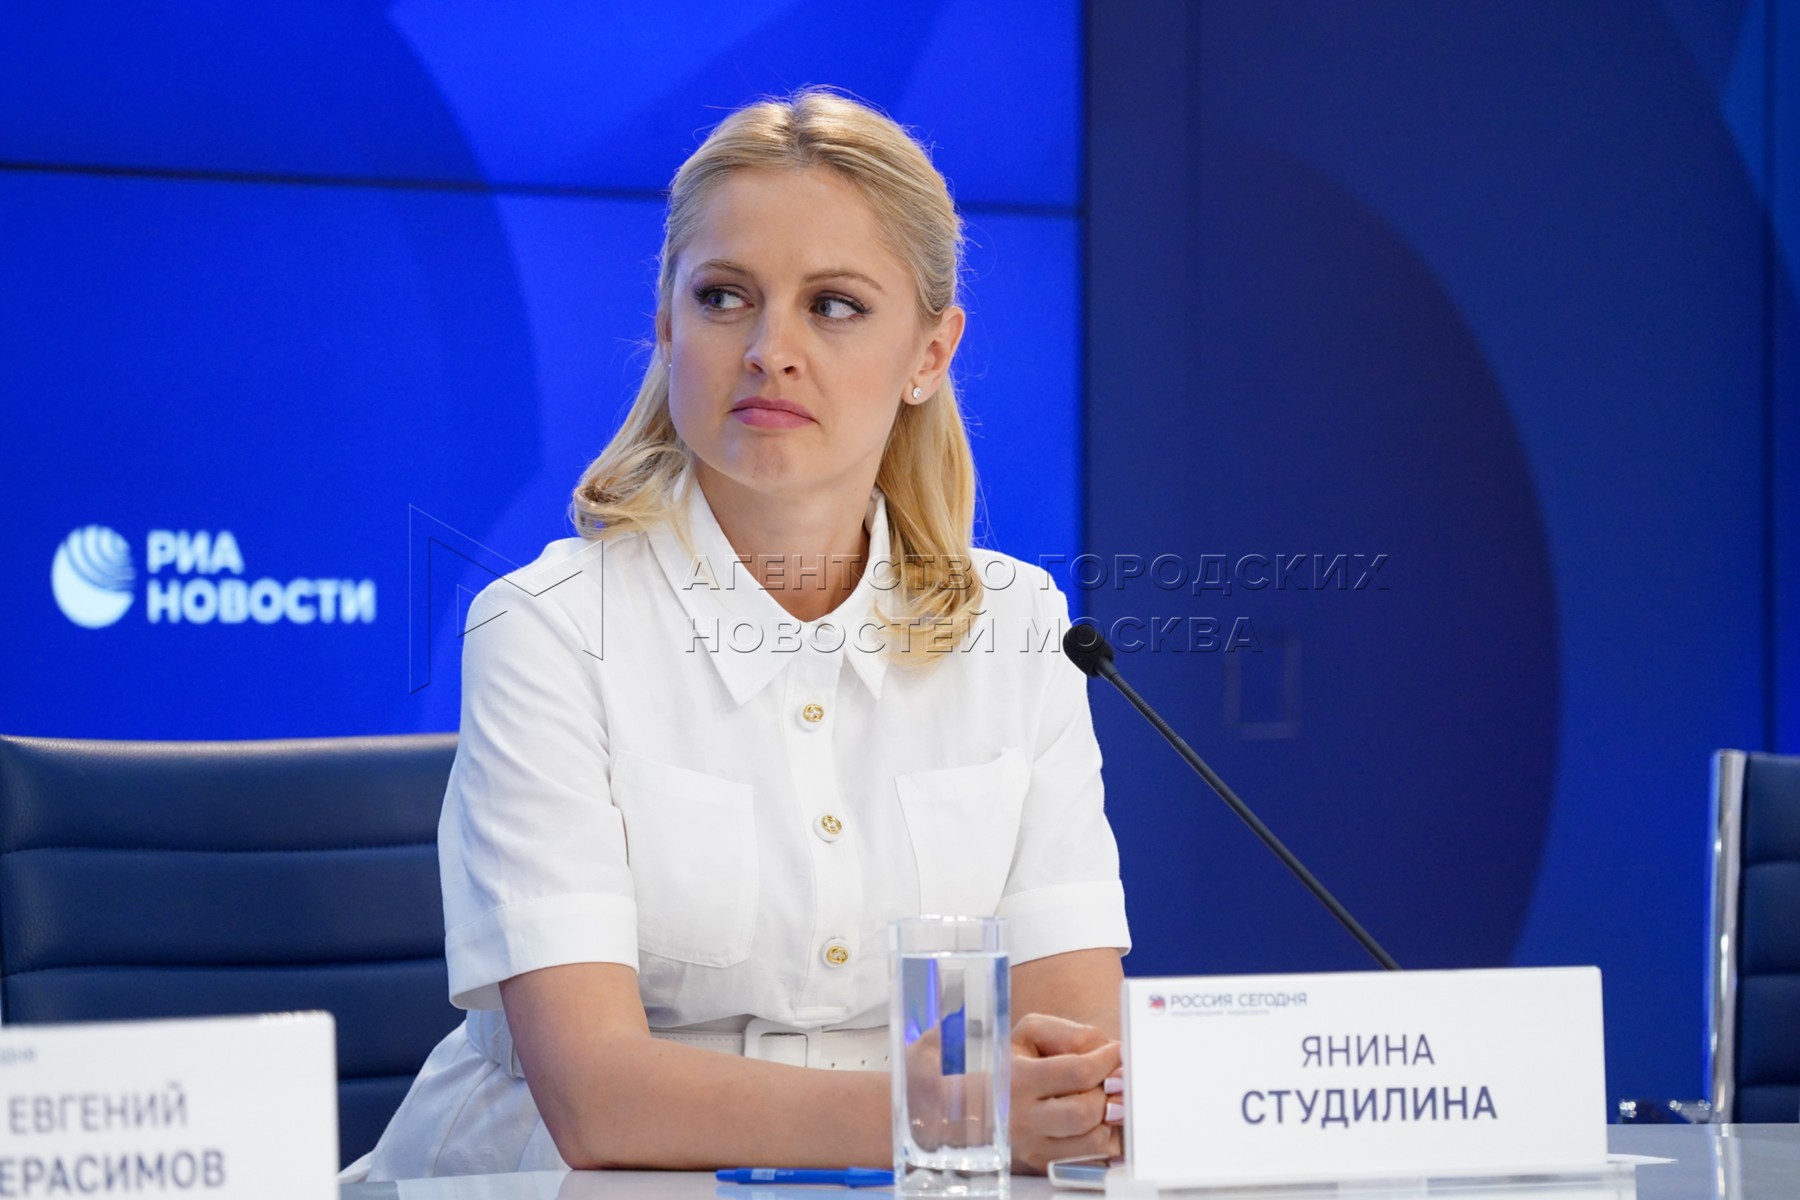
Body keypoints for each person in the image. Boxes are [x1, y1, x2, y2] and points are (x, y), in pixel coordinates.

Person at [346, 88, 1130, 1182]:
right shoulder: (548, 628)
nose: (770, 350)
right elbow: (601, 1103)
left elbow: (1068, 1063)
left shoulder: (1023, 629)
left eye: (835, 305)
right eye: (723, 298)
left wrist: (992, 1112)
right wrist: (948, 1112)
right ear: (668, 327)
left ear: (930, 353)